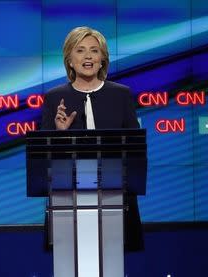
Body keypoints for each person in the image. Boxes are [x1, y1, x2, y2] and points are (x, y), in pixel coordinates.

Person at [41, 26, 143, 251]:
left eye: (94, 51)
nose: (88, 56)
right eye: (80, 50)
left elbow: (134, 151)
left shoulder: (121, 95)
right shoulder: (54, 98)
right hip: (68, 200)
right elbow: (44, 162)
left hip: (115, 199)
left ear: (102, 60)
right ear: (69, 60)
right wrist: (60, 134)